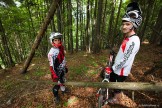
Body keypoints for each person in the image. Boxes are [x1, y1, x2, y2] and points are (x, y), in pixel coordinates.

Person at [105, 2, 142, 104]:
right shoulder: (128, 38)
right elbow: (123, 53)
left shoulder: (134, 40)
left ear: (133, 25)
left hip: (121, 70)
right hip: (117, 68)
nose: (124, 26)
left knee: (117, 85)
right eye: (123, 24)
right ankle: (115, 94)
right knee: (110, 80)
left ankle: (116, 99)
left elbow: (125, 60)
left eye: (127, 24)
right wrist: (114, 56)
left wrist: (112, 68)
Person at [48, 32, 68, 104]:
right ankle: (56, 96)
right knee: (57, 85)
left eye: (59, 40)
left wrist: (65, 66)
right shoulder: (51, 52)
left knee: (63, 80)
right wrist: (54, 75)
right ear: (52, 41)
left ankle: (63, 90)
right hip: (56, 71)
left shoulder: (61, 48)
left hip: (62, 69)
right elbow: (51, 65)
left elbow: (63, 58)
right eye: (55, 40)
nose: (58, 41)